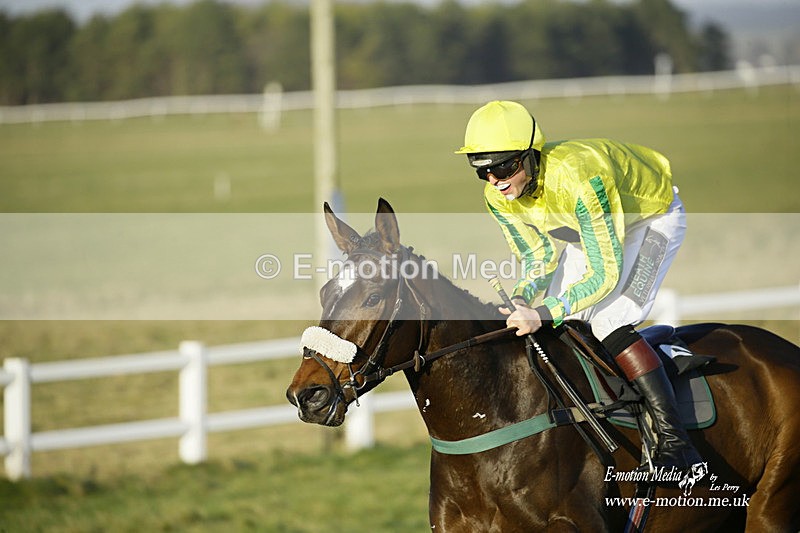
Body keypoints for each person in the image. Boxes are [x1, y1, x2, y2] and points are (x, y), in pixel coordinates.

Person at [455, 100, 702, 472]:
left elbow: (604, 274)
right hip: (588, 233)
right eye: (483, 171)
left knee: (607, 321)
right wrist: (523, 297)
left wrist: (542, 311)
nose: (495, 180)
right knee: (562, 324)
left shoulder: (581, 177)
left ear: (530, 157)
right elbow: (537, 254)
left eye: (504, 167)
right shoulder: (498, 196)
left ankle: (676, 443)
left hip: (651, 220)